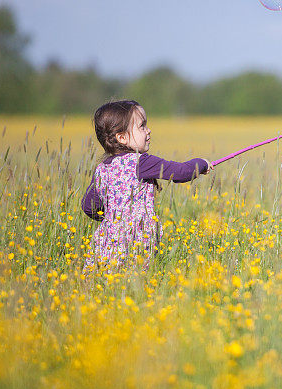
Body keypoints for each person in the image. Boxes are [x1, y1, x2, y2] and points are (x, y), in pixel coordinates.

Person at [81, 100, 210, 268]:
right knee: (133, 283)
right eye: (142, 126)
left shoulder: (102, 169)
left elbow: (88, 206)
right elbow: (180, 172)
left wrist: (114, 220)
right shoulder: (141, 162)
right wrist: (202, 164)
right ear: (122, 137)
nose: (148, 131)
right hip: (136, 242)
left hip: (106, 240)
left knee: (102, 282)